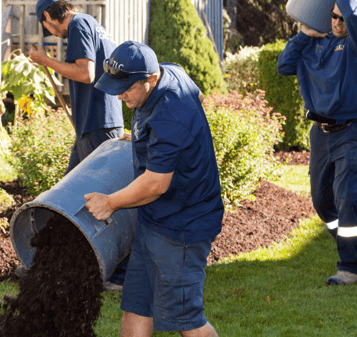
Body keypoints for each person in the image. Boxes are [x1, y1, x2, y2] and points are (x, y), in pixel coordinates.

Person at [85, 41, 223, 337]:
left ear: (150, 79)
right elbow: (197, 94)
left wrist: (109, 202)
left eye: (126, 89)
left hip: (183, 225)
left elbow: (156, 183)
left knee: (186, 319)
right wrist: (147, 139)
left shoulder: (170, 115)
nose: (120, 96)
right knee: (137, 305)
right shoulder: (170, 71)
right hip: (154, 219)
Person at [16, 0, 127, 289]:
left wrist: (45, 60)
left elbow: (85, 73)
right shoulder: (91, 23)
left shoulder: (78, 25)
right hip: (95, 122)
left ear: (48, 16)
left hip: (97, 123)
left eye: (47, 27)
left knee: (104, 197)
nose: (51, 32)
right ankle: (50, 261)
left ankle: (117, 272)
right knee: (66, 195)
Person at [277, 0, 357, 285]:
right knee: (322, 201)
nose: (337, 23)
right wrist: (304, 34)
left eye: (342, 18)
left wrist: (348, 8)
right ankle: (352, 243)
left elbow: (354, 18)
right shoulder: (312, 43)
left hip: (349, 131)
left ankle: (350, 267)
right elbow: (284, 67)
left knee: (347, 196)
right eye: (332, 17)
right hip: (320, 133)